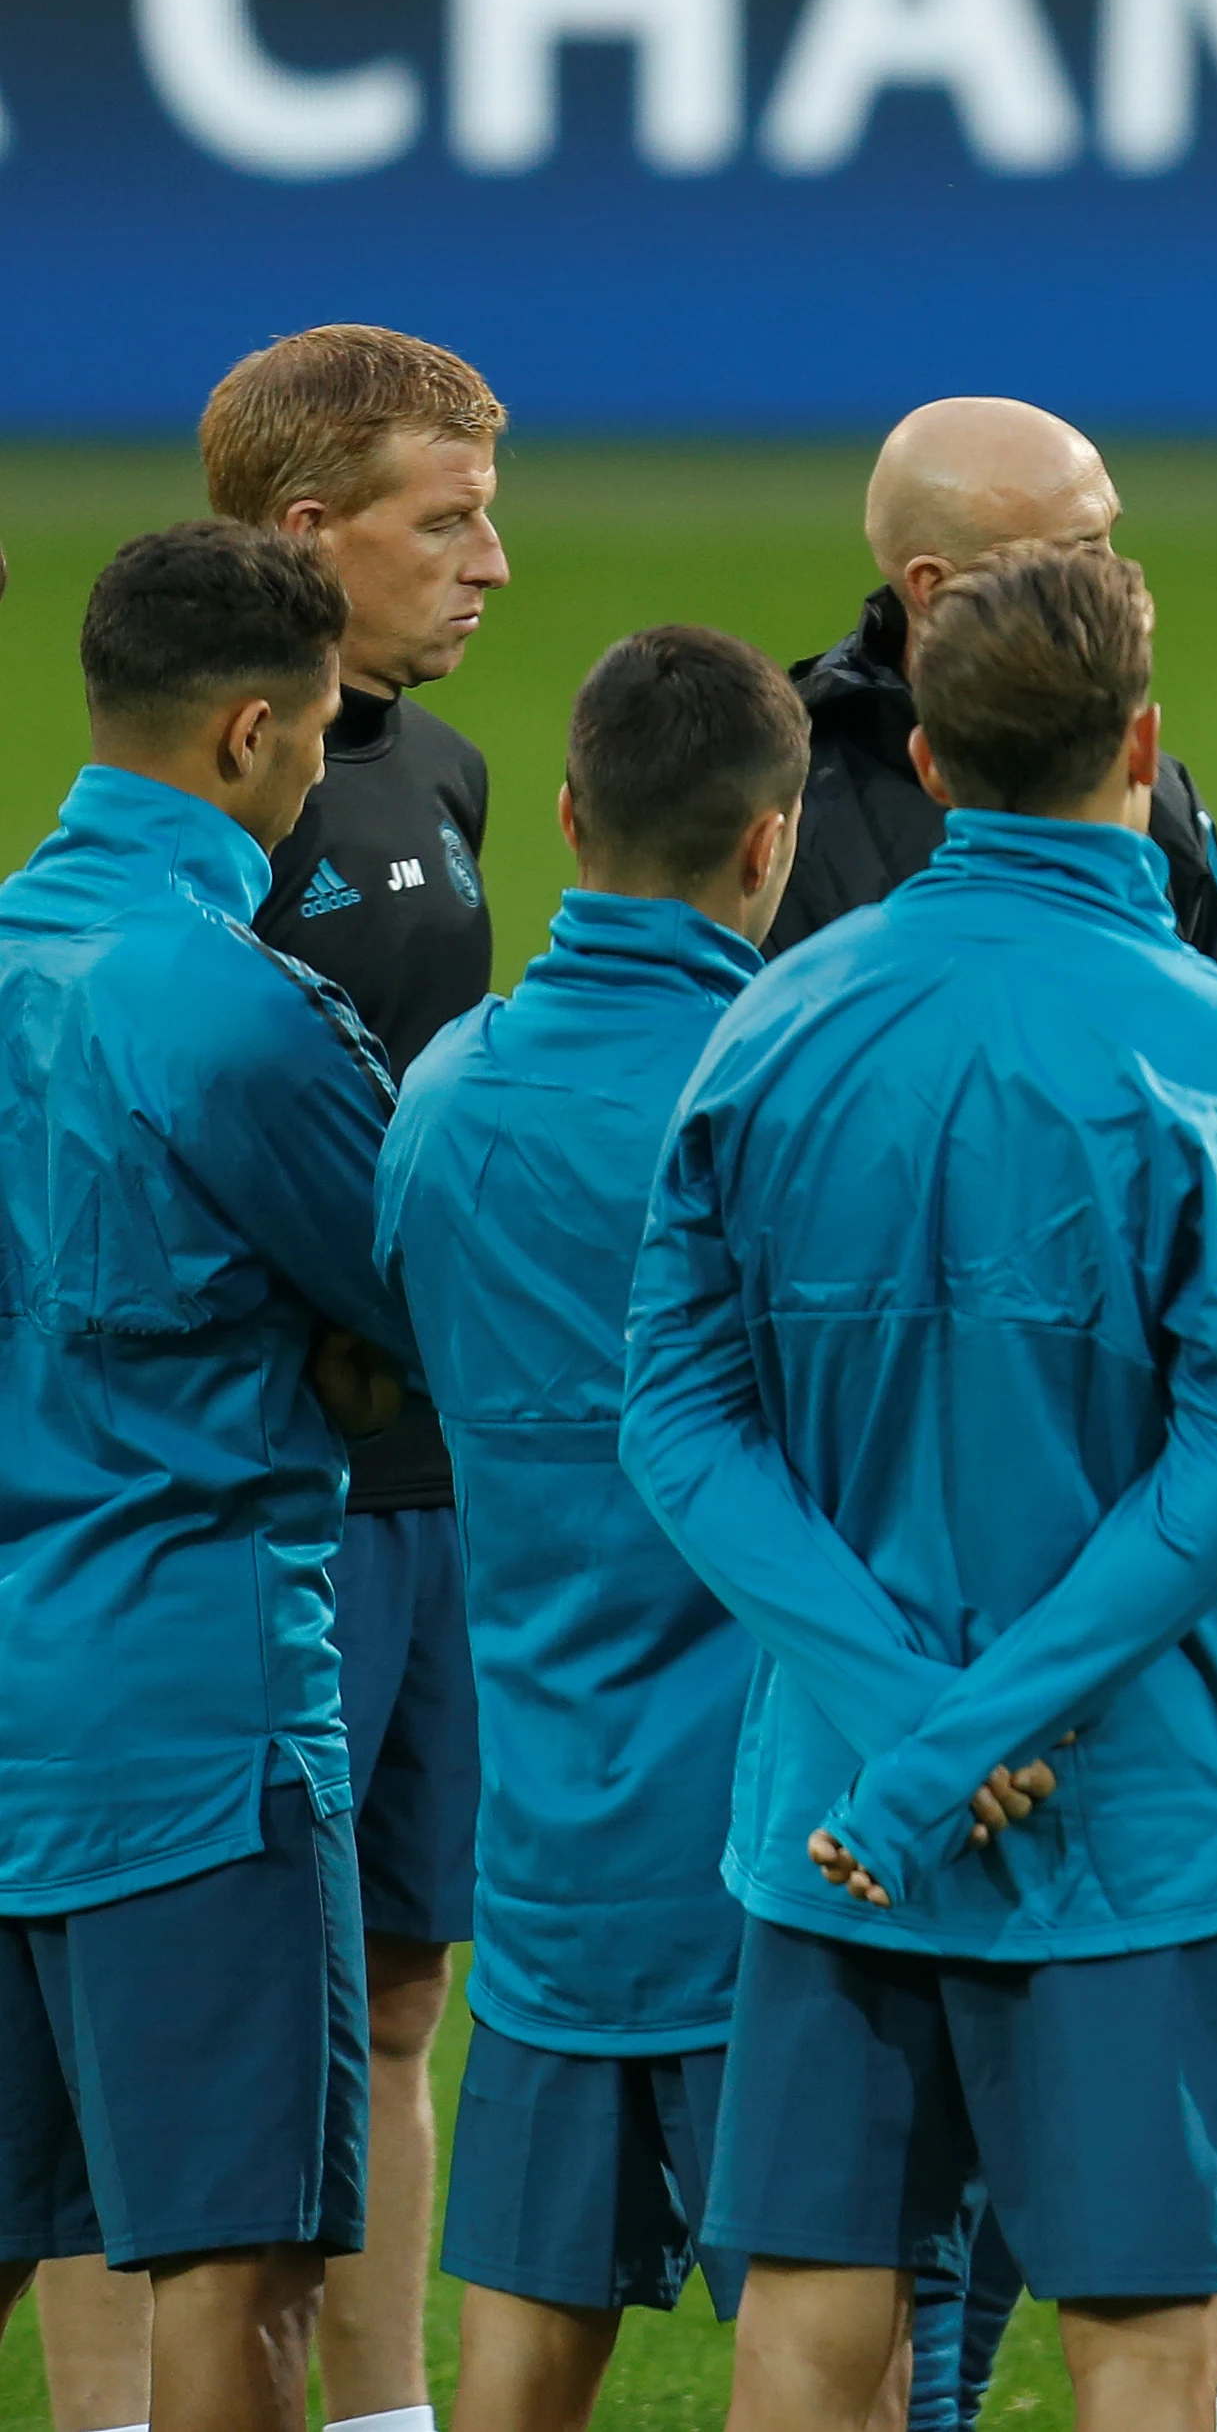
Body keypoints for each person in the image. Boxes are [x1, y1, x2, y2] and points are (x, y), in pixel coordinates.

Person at [622, 542, 1217, 2432]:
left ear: (922, 760)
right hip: (1121, 1817)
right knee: (1140, 2331)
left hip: (830, 1807)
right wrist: (973, 1738)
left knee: (817, 2302)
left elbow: (676, 1425)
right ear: (1143, 746)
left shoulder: (765, 1023)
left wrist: (899, 1722)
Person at [377, 629, 810, 2432]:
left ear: (565, 813)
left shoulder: (445, 1090)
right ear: (771, 842)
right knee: (829, 2345)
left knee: (526, 2348)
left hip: (548, 1840)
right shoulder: (790, 1085)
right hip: (774, 1854)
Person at [149, 326, 513, 2432]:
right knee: (205, 2036)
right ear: (308, 534)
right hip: (268, 1504)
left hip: (429, 1488)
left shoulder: (439, 777)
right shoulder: (225, 811)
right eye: (445, 521)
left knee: (396, 1999)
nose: (491, 563)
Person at [0, 522, 401, 2432]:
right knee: (236, 2265)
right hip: (190, 1728)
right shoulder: (233, 1009)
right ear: (253, 732)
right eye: (321, 732)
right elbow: (422, 1313)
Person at [774, 396, 1217, 966]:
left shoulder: (1157, 798)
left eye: (1110, 538)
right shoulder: (781, 804)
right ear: (936, 588)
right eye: (1077, 553)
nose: (1122, 580)